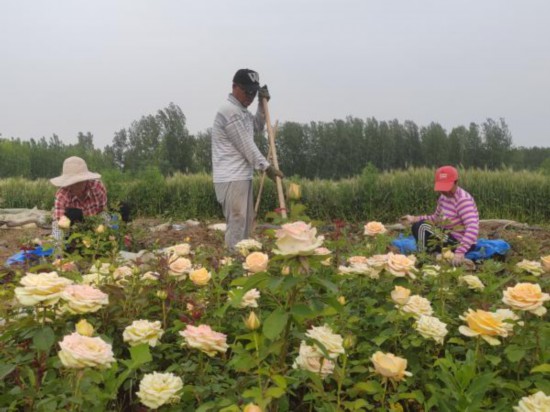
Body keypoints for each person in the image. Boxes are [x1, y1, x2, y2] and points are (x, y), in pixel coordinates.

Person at [212, 68, 284, 250]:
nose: (250, 97)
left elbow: (258, 127)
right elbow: (246, 145)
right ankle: (233, 262)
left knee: (245, 223)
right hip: (231, 177)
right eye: (247, 92)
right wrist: (266, 167)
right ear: (234, 87)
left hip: (242, 176)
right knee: (237, 222)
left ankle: (241, 262)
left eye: (254, 93)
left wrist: (261, 104)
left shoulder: (242, 111)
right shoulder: (229, 111)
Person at [401, 165, 479, 266]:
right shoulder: (443, 197)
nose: (444, 191)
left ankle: (423, 259)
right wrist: (414, 219)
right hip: (446, 237)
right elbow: (435, 219)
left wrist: (460, 252)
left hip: (458, 242)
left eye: (447, 187)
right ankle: (431, 254)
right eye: (442, 188)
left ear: (456, 182)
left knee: (422, 226)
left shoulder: (462, 200)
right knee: (418, 225)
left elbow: (472, 228)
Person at [50, 156, 108, 240]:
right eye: (72, 183)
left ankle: (103, 241)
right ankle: (60, 249)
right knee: (57, 227)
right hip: (73, 228)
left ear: (85, 179)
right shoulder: (62, 195)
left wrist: (96, 226)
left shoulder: (97, 187)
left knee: (106, 217)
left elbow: (103, 209)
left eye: (79, 182)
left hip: (94, 222)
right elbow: (59, 222)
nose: (76, 186)